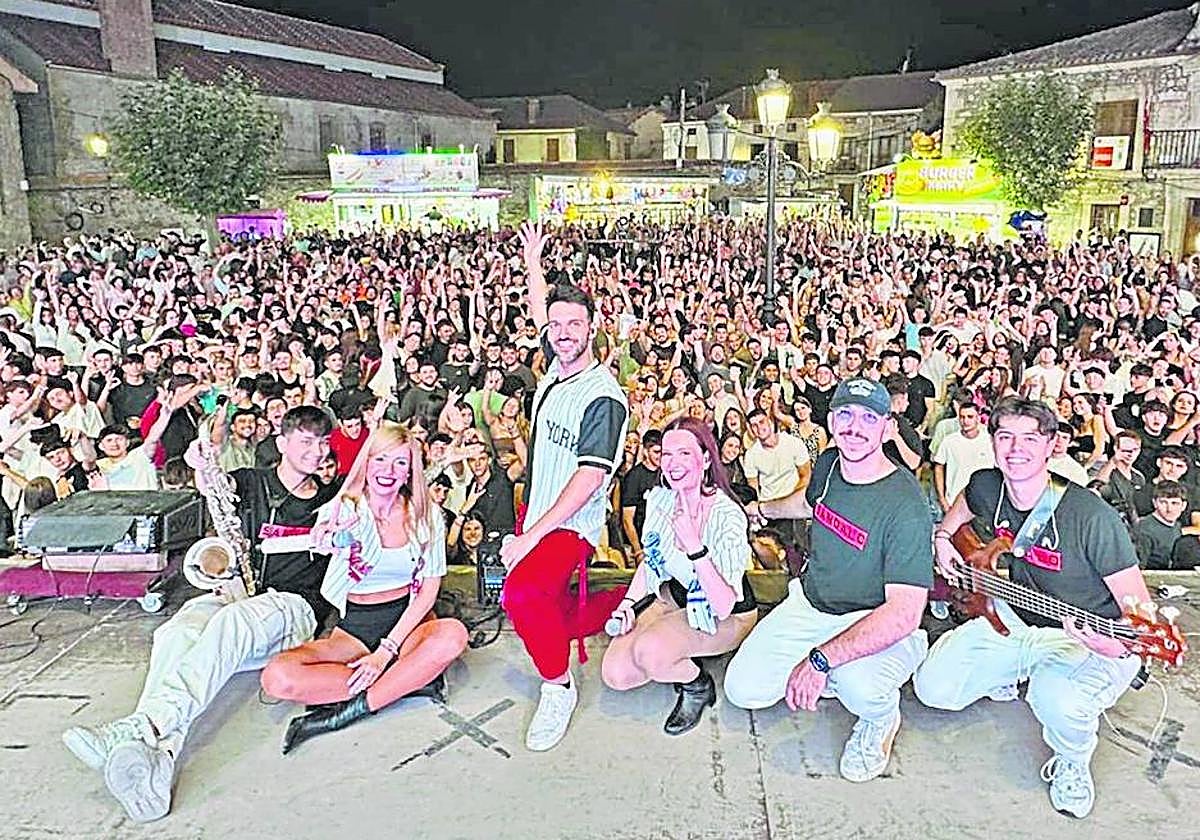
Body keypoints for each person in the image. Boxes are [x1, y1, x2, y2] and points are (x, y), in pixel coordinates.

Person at [60, 406, 337, 823]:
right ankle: (157, 762)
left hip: (294, 608)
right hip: (240, 593)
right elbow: (217, 490)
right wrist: (202, 462)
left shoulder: (333, 499)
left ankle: (140, 726)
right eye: (306, 442)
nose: (317, 452)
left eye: (323, 443)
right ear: (281, 443)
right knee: (176, 631)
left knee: (231, 622)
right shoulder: (250, 481)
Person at [914, 396, 1153, 819]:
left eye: (1029, 438)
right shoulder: (987, 485)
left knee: (1055, 700)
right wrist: (943, 540)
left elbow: (1143, 618)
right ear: (992, 441)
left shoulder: (1090, 517)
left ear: (1051, 444)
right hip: (1016, 616)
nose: (1015, 449)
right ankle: (1021, 670)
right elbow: (959, 511)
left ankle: (1073, 759)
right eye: (1005, 436)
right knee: (934, 689)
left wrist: (1116, 647)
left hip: (1088, 635)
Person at [724, 377, 932, 783]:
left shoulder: (905, 505)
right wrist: (762, 509)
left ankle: (880, 716)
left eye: (868, 418)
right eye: (845, 414)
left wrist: (821, 659)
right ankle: (836, 667)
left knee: (858, 685)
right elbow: (809, 503)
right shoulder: (830, 462)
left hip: (873, 617)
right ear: (832, 421)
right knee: (743, 689)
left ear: (887, 427)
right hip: (812, 605)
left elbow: (905, 613)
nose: (855, 427)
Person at [499, 221, 630, 752]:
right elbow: (542, 314)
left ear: (593, 327)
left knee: (521, 594)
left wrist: (530, 537)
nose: (561, 332)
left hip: (570, 524)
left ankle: (558, 686)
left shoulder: (603, 396)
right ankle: (622, 607)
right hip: (538, 511)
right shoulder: (556, 363)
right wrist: (533, 262)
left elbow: (589, 477)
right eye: (556, 325)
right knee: (542, 602)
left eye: (574, 323)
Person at [260, 422, 468, 753]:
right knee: (277, 678)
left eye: (400, 462)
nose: (389, 471)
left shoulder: (426, 514)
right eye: (380, 459)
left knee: (453, 635)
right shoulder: (344, 508)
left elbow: (428, 591)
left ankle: (342, 714)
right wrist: (326, 535)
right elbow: (327, 529)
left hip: (409, 623)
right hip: (355, 627)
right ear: (366, 462)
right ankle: (408, 681)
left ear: (409, 471)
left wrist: (384, 654)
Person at [602, 417, 757, 734]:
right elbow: (651, 563)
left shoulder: (726, 513)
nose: (673, 463)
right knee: (616, 673)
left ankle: (697, 684)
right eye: (666, 454)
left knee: (650, 652)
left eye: (684, 453)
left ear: (705, 459)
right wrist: (629, 604)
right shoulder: (660, 499)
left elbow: (724, 605)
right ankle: (674, 648)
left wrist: (695, 548)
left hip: (727, 613)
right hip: (676, 595)